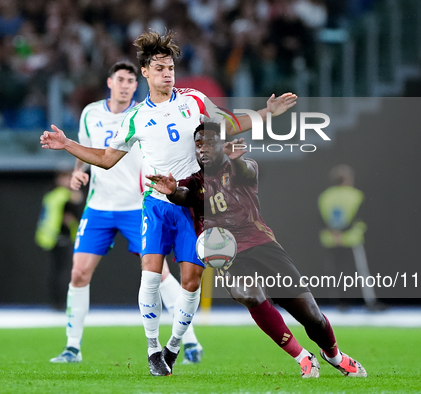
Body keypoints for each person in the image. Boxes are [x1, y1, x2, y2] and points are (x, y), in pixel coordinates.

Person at [40, 29, 297, 376]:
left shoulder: (194, 100)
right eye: (159, 68)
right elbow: (105, 158)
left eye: (171, 67)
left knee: (190, 280)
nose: (167, 73)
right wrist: (68, 144)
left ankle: (174, 345)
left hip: (193, 203)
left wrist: (266, 113)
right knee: (151, 276)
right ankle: (151, 349)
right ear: (145, 72)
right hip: (156, 203)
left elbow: (230, 123)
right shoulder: (135, 119)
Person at [146, 122, 367, 378]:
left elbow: (247, 171)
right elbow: (184, 195)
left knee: (312, 316)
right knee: (248, 294)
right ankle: (302, 357)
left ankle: (335, 356)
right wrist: (172, 191)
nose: (202, 149)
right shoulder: (194, 181)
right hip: (227, 252)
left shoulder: (242, 167)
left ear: (222, 145)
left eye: (209, 143)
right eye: (198, 145)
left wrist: (236, 160)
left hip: (262, 245)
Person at [49, 61, 203, 364]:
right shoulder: (91, 113)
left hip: (136, 205)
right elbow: (89, 146)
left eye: (130, 81)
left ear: (137, 84)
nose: (125, 85)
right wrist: (78, 172)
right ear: (110, 82)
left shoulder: (145, 116)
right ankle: (72, 347)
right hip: (99, 206)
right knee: (78, 273)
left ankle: (190, 342)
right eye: (120, 80)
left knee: (160, 276)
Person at [318, 164, 384, 311]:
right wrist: (344, 233)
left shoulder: (325, 197)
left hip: (331, 240)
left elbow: (320, 219)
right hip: (351, 239)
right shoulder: (356, 195)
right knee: (361, 272)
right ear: (348, 179)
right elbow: (360, 217)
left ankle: (340, 303)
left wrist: (334, 233)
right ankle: (370, 302)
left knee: (336, 273)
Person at [35, 169, 83, 310]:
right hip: (58, 237)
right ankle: (60, 303)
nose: (67, 181)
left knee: (61, 271)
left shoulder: (55, 195)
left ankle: (61, 303)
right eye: (65, 178)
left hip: (61, 237)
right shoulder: (61, 195)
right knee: (61, 272)